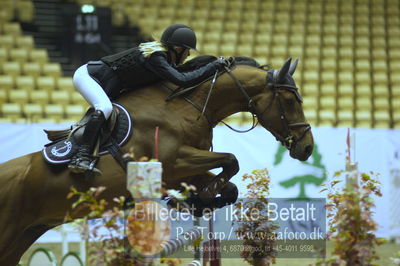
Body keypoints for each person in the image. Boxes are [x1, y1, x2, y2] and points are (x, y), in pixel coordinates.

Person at [68, 24, 228, 175]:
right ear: (178, 49)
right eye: (187, 50)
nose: (189, 55)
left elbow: (181, 75)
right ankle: (81, 156)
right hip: (89, 76)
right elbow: (182, 80)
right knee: (104, 108)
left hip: (107, 83)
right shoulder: (156, 57)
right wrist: (212, 67)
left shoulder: (162, 59)